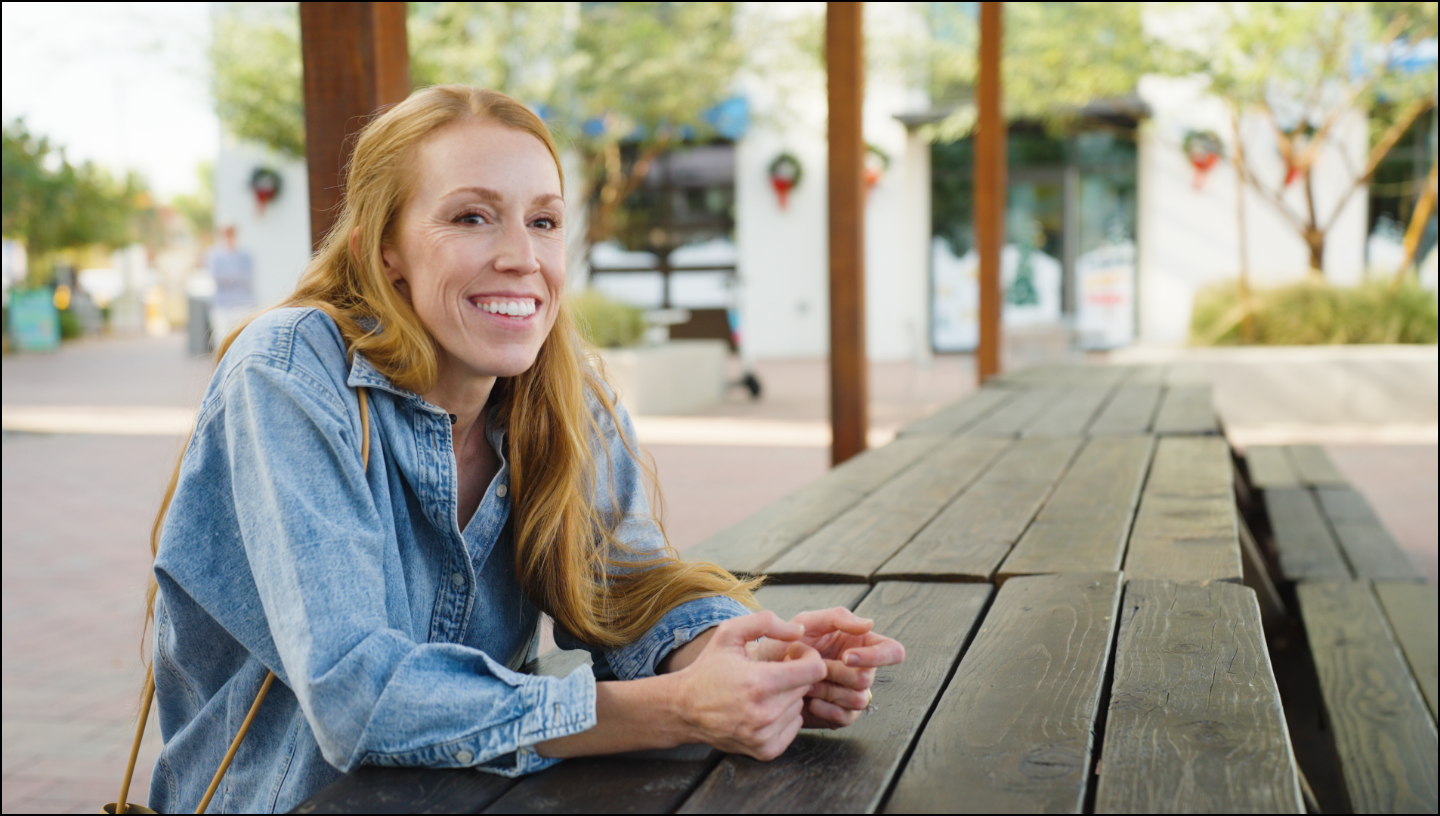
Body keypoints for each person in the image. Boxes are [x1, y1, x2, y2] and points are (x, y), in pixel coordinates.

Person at [144, 85, 905, 814]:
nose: (520, 256)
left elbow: (624, 586)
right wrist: (675, 709)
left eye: (543, 222)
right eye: (472, 218)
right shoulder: (289, 371)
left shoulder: (563, 388)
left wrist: (741, 661)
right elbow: (358, 695)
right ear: (384, 253)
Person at [204, 224, 256, 344]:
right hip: (222, 306)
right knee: (222, 341)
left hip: (243, 305)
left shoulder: (245, 256)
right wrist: (237, 276)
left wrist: (227, 276)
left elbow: (248, 279)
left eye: (231, 233)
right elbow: (217, 278)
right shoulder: (214, 255)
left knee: (242, 341)